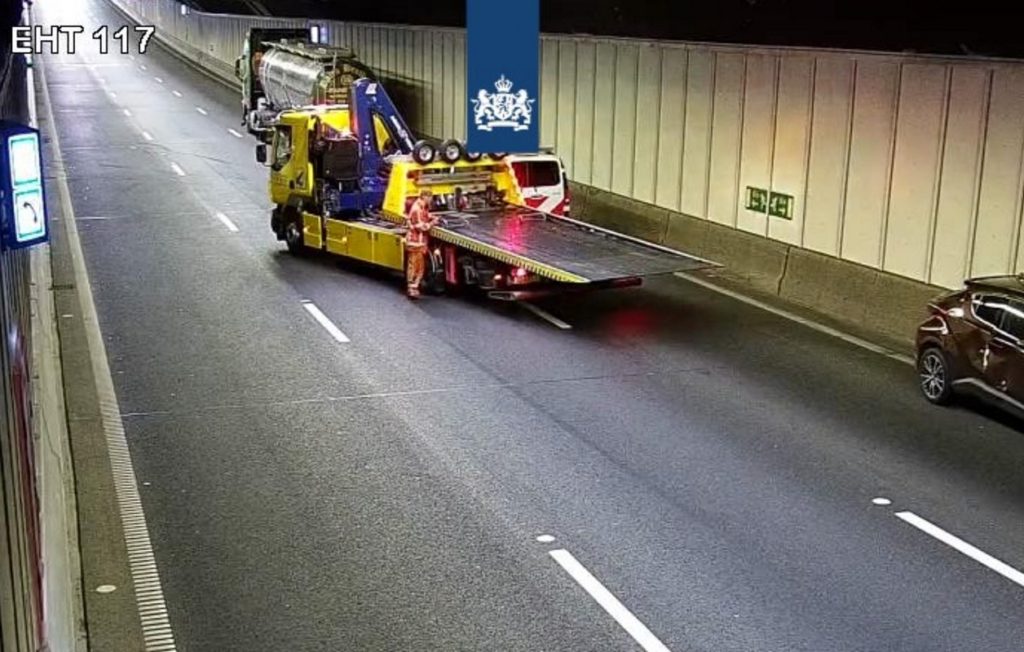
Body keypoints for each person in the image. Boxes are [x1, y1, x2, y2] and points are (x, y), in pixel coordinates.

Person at [405, 189, 438, 299]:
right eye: (430, 197)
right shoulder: (416, 209)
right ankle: (412, 288)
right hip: (415, 242)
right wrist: (432, 223)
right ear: (425, 197)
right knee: (415, 266)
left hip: (419, 242)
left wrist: (431, 217)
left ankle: (414, 286)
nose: (431, 200)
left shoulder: (421, 207)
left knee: (419, 266)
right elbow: (421, 227)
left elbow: (425, 215)